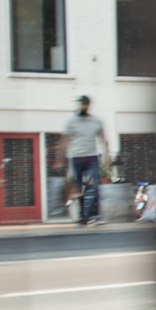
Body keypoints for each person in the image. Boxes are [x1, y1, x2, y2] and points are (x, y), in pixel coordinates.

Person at [61, 96, 109, 226]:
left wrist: (107, 158)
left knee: (96, 185)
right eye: (79, 105)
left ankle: (97, 215)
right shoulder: (71, 121)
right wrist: (60, 158)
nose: (81, 107)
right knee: (78, 188)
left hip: (92, 157)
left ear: (88, 105)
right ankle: (83, 216)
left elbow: (103, 139)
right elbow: (65, 140)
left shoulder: (96, 121)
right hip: (76, 157)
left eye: (83, 105)